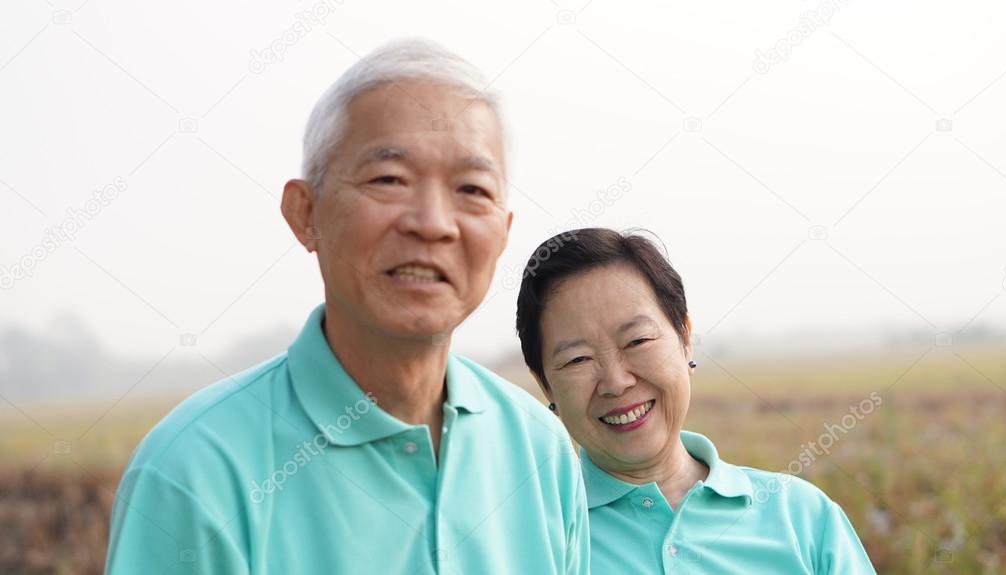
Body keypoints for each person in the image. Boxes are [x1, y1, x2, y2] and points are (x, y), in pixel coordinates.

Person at [105, 39, 588, 574]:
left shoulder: (538, 448)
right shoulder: (195, 470)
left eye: (471, 189)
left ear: (502, 233)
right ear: (304, 213)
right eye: (388, 180)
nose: (431, 223)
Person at [516, 227, 875, 574]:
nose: (616, 382)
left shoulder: (804, 518)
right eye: (578, 359)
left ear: (685, 339)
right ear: (545, 386)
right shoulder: (534, 542)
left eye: (637, 341)